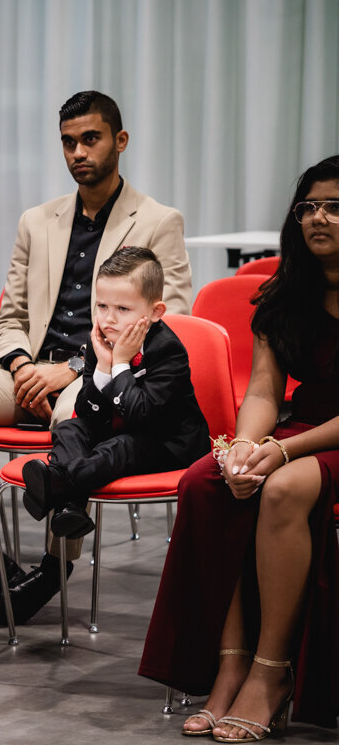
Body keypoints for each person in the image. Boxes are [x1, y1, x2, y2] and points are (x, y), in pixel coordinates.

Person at [141, 155, 339, 739]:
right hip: (301, 430)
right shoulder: (284, 294)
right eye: (309, 207)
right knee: (207, 480)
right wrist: (246, 447)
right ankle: (230, 665)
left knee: (281, 487)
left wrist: (278, 455)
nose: (318, 217)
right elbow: (262, 389)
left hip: (319, 443)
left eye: (334, 207)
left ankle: (272, 671)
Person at [0, 90, 193, 624]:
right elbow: (10, 316)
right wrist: (24, 366)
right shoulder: (36, 221)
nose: (78, 151)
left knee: (75, 413)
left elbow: (172, 319)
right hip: (27, 370)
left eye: (90, 139)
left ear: (119, 141)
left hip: (99, 370)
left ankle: (54, 567)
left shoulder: (159, 219)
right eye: (68, 142)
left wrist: (74, 367)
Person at [20, 247, 209, 540]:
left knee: (119, 448)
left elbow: (141, 414)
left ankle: (59, 481)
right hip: (122, 428)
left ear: (155, 312)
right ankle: (70, 505)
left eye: (123, 309)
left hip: (168, 441)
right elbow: (86, 411)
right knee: (70, 429)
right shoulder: (102, 339)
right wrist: (103, 368)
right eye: (102, 306)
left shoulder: (168, 350)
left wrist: (119, 364)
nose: (108, 319)